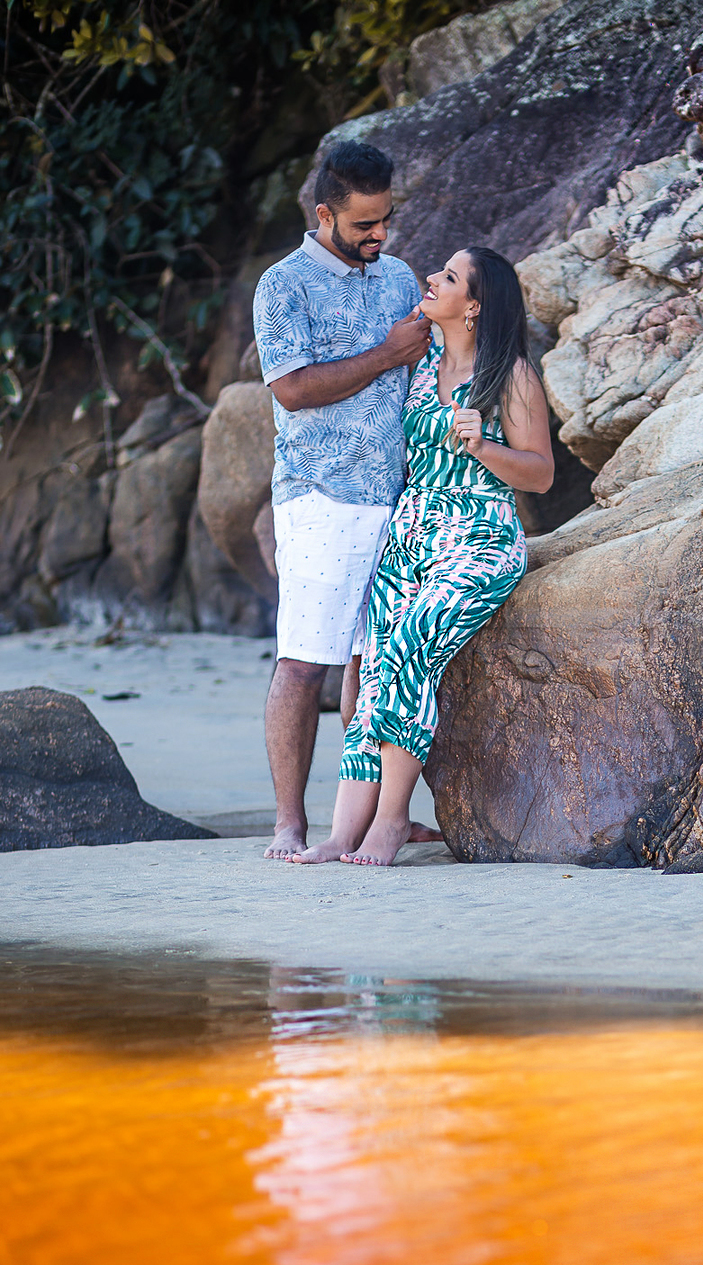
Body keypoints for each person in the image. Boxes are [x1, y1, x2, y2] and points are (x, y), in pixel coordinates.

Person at [295, 246, 554, 867]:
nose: (432, 279)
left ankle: (390, 822)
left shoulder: (509, 374)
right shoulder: (422, 360)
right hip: (410, 535)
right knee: (377, 666)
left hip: (478, 536)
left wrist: (483, 445)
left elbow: (541, 474)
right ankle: (342, 832)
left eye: (450, 277)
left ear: (474, 305)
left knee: (411, 640)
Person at [252, 138, 440, 859]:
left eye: (385, 219)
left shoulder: (396, 278)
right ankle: (288, 821)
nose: (379, 235)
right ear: (325, 213)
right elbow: (293, 390)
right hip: (320, 498)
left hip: (400, 499)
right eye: (364, 223)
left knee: (375, 662)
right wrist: (391, 354)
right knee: (306, 660)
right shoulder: (283, 285)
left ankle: (357, 823)